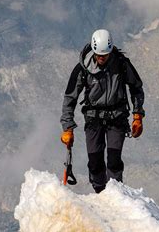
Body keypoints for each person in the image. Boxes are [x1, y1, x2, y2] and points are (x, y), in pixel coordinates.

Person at [60, 29, 145, 193]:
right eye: (98, 55)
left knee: (114, 159)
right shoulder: (83, 68)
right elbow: (70, 98)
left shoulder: (121, 64)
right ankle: (100, 193)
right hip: (93, 119)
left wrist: (137, 116)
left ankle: (115, 195)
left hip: (117, 117)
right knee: (95, 161)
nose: (101, 58)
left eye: (104, 55)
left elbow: (136, 88)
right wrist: (67, 128)